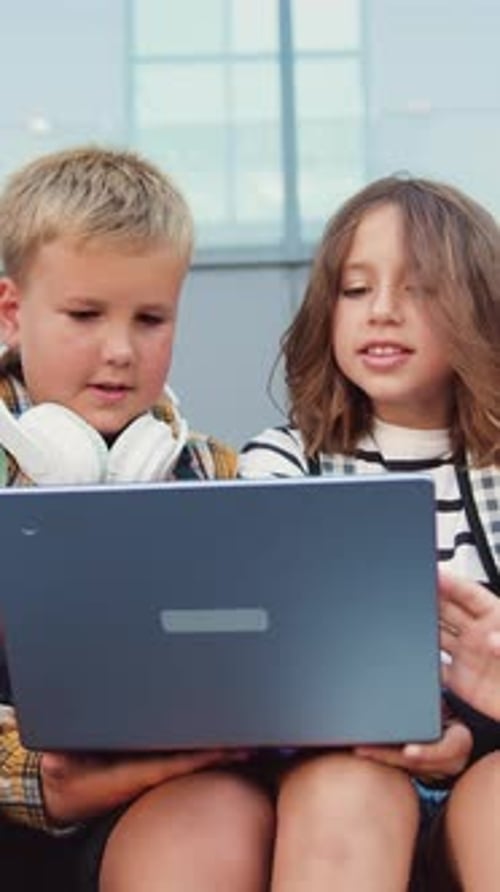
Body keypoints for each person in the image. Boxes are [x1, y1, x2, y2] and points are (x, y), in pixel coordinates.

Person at [0, 146, 274, 892]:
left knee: (217, 819)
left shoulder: (213, 475)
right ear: (11, 313)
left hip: (154, 800)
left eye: (151, 319)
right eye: (85, 315)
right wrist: (39, 774)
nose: (120, 351)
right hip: (21, 788)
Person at [239, 175, 500, 891]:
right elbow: (257, 658)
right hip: (338, 763)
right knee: (342, 797)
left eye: (419, 290)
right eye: (355, 290)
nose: (382, 312)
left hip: (490, 762)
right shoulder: (283, 460)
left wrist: (475, 732)